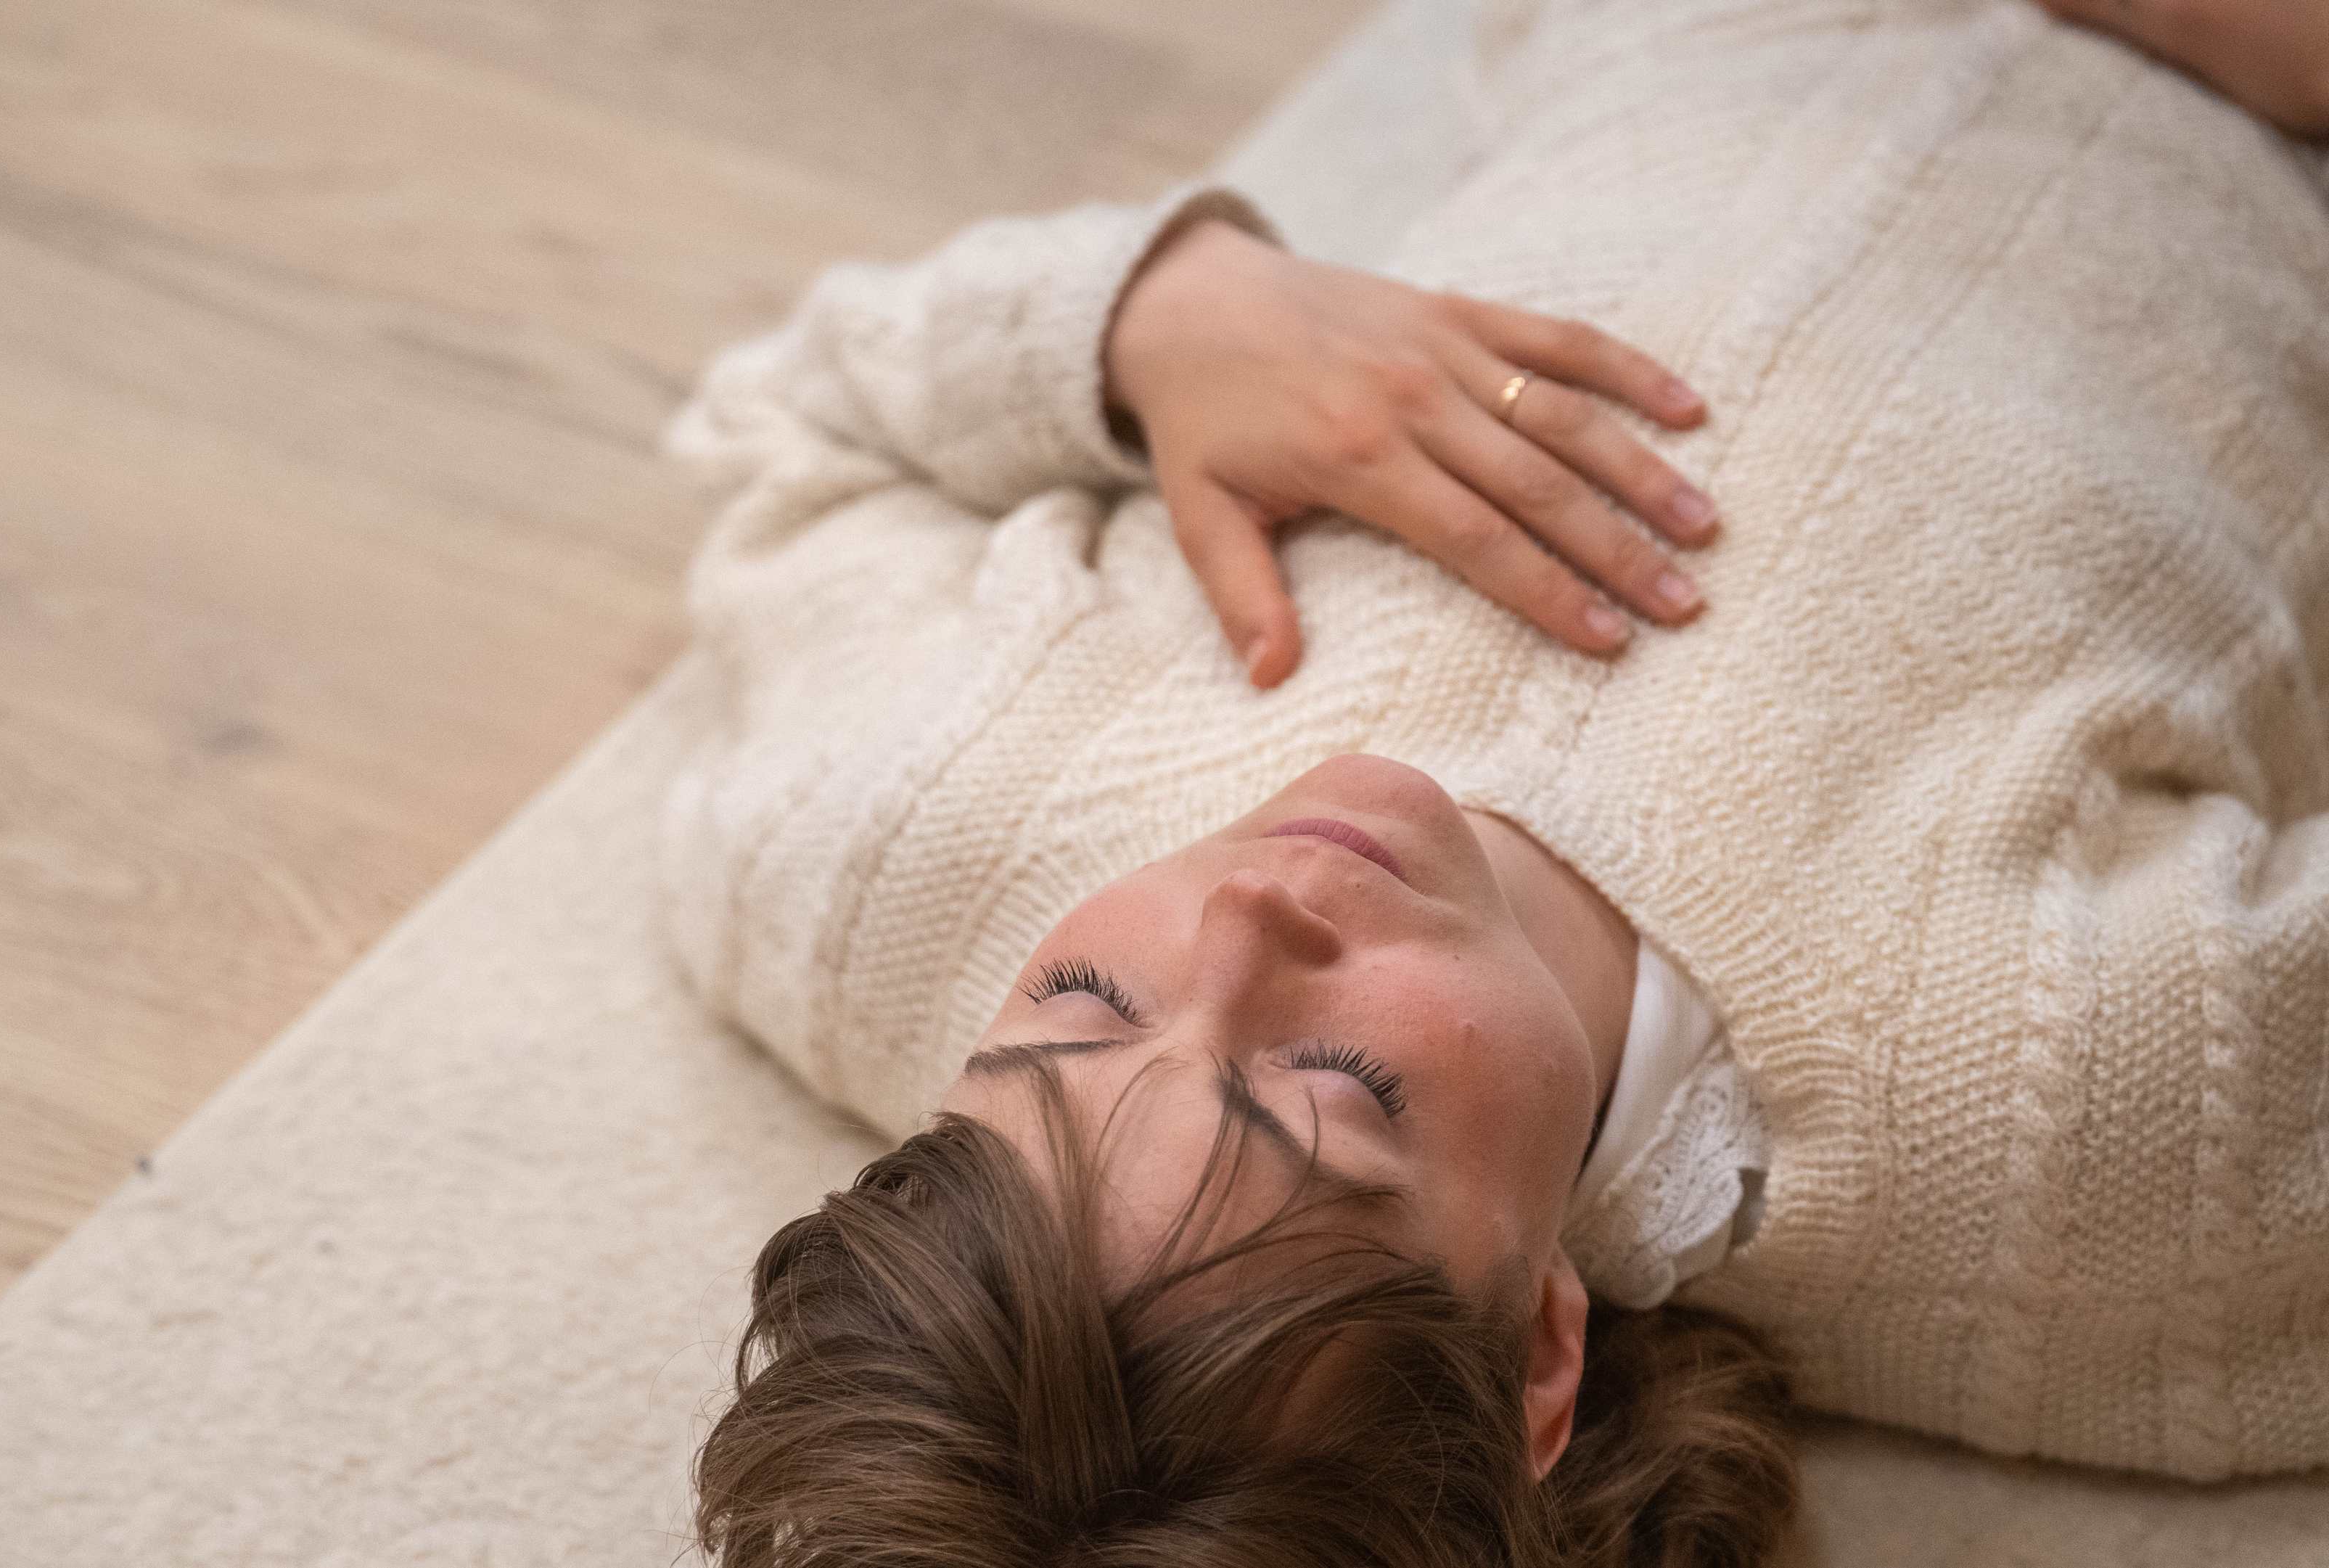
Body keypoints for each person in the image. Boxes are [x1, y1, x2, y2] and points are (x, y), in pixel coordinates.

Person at [660, 1, 2329, 1562]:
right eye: (1335, 1088)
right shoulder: (2097, 1140)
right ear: (1537, 1357)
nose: (1247, 909)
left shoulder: (885, 857)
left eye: (1080, 1003)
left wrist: (1163, 319)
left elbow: (789, 432)